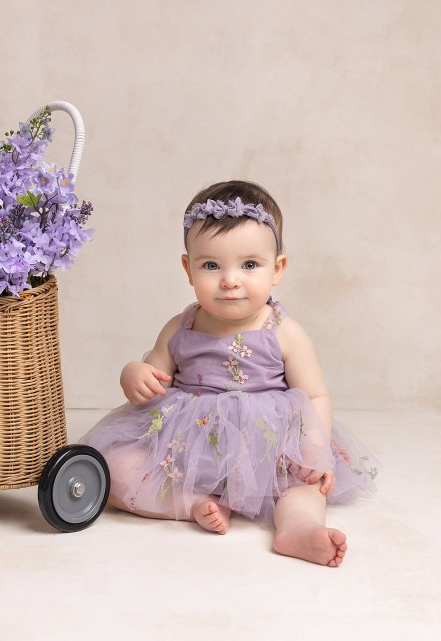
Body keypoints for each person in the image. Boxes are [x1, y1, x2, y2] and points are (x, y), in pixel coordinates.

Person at [80, 180, 378, 566]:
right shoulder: (180, 326)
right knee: (114, 471)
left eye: (249, 265)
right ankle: (192, 503)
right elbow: (153, 375)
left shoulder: (283, 331)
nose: (230, 280)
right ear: (188, 269)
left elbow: (315, 395)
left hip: (267, 452)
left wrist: (313, 448)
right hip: (186, 451)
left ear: (277, 269)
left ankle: (297, 528)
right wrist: (132, 374)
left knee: (304, 485)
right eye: (211, 265)